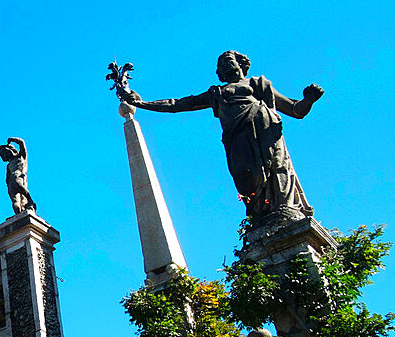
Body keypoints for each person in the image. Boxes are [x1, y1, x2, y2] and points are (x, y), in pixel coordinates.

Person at [120, 51, 323, 225]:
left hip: (266, 133)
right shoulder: (217, 93)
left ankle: (285, 210)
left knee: (277, 167)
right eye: (221, 64)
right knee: (247, 178)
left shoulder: (258, 83)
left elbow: (296, 110)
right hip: (238, 140)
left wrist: (309, 100)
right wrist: (143, 103)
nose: (224, 65)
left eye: (228, 60)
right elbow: (179, 104)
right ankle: (260, 216)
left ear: (241, 64)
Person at [0, 137, 36, 215]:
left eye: (5, 152)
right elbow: (7, 177)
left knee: (22, 192)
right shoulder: (9, 165)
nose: (4, 155)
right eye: (3, 154)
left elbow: (22, 143)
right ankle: (18, 214)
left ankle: (30, 201)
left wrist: (12, 140)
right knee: (15, 201)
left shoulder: (21, 157)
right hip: (11, 183)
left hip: (19, 177)